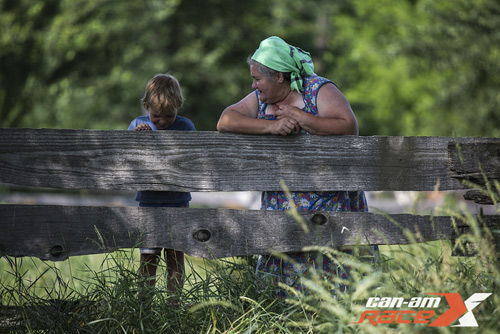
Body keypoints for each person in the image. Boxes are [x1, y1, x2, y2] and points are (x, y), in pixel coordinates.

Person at [217, 36, 378, 297]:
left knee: (335, 287)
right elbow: (225, 120)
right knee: (277, 295)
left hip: (330, 211)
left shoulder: (318, 90)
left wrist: (300, 118)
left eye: (258, 79)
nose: (253, 84)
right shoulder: (260, 100)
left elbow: (348, 126)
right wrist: (270, 126)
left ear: (279, 76)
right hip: (281, 213)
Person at [128, 73, 196, 294]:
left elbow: (192, 158)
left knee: (176, 258)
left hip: (178, 202)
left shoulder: (185, 127)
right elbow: (128, 158)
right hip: (149, 202)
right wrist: (140, 141)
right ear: (146, 106)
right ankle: (144, 305)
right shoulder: (138, 125)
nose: (163, 121)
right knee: (148, 259)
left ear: (178, 107)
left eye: (169, 115)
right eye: (156, 116)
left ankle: (173, 305)